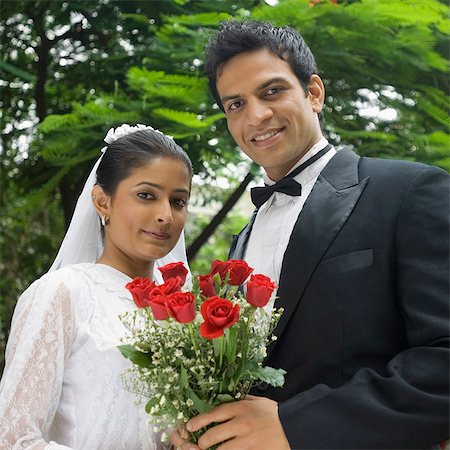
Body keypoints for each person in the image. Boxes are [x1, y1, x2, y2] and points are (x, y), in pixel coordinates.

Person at [172, 20, 450, 450]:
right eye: (235, 105)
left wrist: (297, 426)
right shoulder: (240, 241)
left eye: (271, 92)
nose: (256, 116)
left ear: (314, 93)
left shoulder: (410, 191)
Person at [0, 124, 193, 449]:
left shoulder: (185, 310)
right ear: (102, 202)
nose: (165, 215)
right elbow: (12, 437)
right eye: (146, 195)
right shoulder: (62, 293)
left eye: (178, 201)